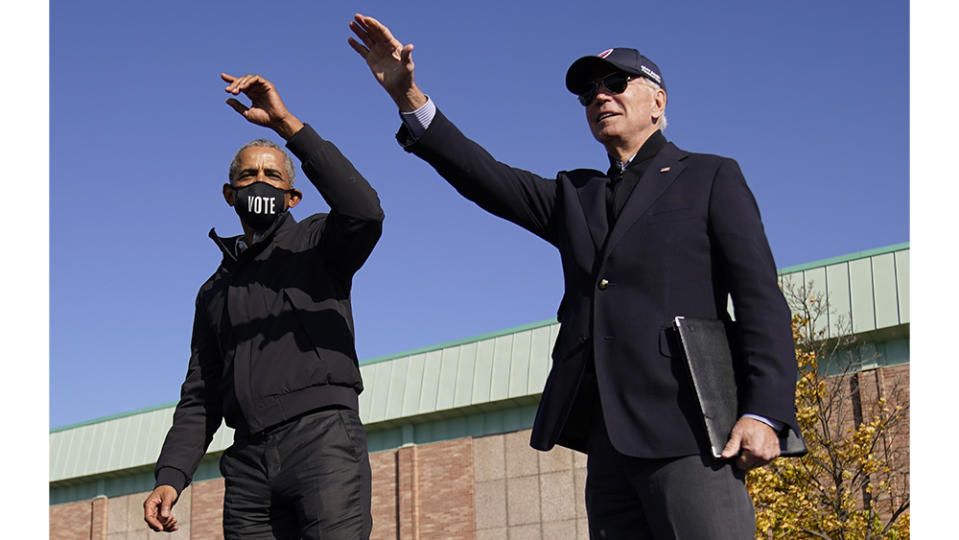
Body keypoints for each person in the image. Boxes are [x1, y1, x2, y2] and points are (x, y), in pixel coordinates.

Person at [349, 14, 800, 539]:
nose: (599, 97)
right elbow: (485, 176)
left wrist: (765, 411)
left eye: (615, 83)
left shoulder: (710, 176)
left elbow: (760, 298)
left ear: (658, 102)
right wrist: (409, 97)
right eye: (588, 92)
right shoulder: (576, 195)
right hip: (608, 442)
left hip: (692, 431)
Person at [142, 73, 383, 539]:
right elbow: (201, 393)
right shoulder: (214, 290)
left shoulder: (318, 242)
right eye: (248, 175)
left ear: (292, 196)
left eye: (272, 175)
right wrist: (170, 476)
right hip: (248, 463)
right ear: (229, 194)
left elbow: (365, 211)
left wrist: (287, 125)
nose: (259, 182)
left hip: (324, 442)